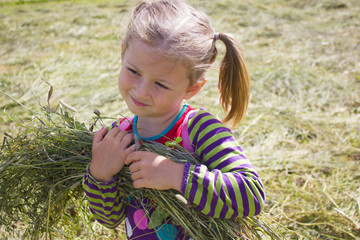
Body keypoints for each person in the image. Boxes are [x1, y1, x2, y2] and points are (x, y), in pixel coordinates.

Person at [83, 0, 265, 239]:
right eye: (134, 71)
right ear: (123, 52)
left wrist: (177, 176)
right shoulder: (120, 137)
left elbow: (251, 196)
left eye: (160, 84)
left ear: (192, 89)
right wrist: (100, 174)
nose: (141, 91)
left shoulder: (199, 129)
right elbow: (111, 218)